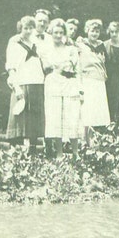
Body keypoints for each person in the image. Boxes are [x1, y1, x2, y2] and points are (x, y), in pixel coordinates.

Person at [41, 19, 81, 159]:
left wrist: (61, 65)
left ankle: (75, 152)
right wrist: (61, 65)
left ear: (65, 33)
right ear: (50, 33)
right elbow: (46, 66)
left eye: (61, 32)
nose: (58, 35)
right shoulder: (46, 50)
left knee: (72, 116)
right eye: (55, 32)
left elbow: (75, 67)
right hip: (53, 83)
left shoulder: (71, 49)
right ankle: (59, 153)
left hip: (69, 83)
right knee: (55, 116)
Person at [5, 16, 45, 151]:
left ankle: (32, 150)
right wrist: (16, 87)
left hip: (37, 82)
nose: (28, 31)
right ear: (20, 28)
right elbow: (11, 66)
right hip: (22, 83)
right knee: (20, 117)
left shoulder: (37, 43)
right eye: (25, 28)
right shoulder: (15, 43)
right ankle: (15, 151)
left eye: (31, 28)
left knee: (34, 119)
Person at [77, 19, 111, 146]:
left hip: (99, 81)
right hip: (87, 80)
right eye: (92, 31)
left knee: (97, 112)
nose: (94, 34)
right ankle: (84, 141)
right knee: (87, 111)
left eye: (97, 31)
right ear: (87, 31)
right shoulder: (81, 45)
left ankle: (93, 141)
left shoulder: (102, 46)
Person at [104, 21, 119, 126]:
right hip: (108, 76)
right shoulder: (104, 45)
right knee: (109, 98)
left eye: (116, 32)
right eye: (112, 32)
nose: (114, 34)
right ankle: (109, 123)